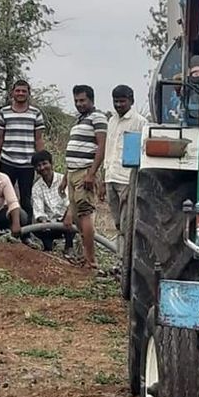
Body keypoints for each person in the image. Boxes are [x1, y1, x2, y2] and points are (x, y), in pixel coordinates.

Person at [62, 84, 107, 270]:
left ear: (91, 100)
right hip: (73, 172)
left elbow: (101, 147)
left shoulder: (98, 118)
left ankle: (91, 259)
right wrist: (66, 176)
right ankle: (84, 256)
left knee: (85, 213)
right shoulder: (79, 120)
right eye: (76, 101)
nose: (79, 104)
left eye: (82, 100)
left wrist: (92, 173)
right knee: (77, 216)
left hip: (84, 172)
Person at [100, 85, 146, 260]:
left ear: (131, 101)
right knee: (118, 223)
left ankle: (128, 260)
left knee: (128, 223)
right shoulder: (111, 121)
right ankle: (121, 259)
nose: (118, 104)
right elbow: (108, 149)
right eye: (116, 101)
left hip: (127, 179)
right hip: (111, 176)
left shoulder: (139, 122)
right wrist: (104, 179)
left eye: (122, 101)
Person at [0, 80, 45, 222]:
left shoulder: (36, 113)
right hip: (7, 162)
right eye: (18, 91)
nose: (20, 93)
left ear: (28, 93)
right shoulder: (4, 112)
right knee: (4, 197)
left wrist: (42, 161)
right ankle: (5, 229)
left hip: (27, 164)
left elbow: (38, 139)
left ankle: (26, 231)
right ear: (12, 92)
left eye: (24, 91)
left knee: (26, 198)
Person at [30, 150, 74, 256]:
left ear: (51, 163)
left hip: (66, 220)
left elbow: (70, 201)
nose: (42, 168)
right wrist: (43, 220)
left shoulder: (62, 180)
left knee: (74, 217)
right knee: (36, 227)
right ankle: (48, 248)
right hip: (49, 223)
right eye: (38, 165)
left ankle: (69, 247)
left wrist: (68, 215)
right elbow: (38, 209)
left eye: (44, 163)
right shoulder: (36, 187)